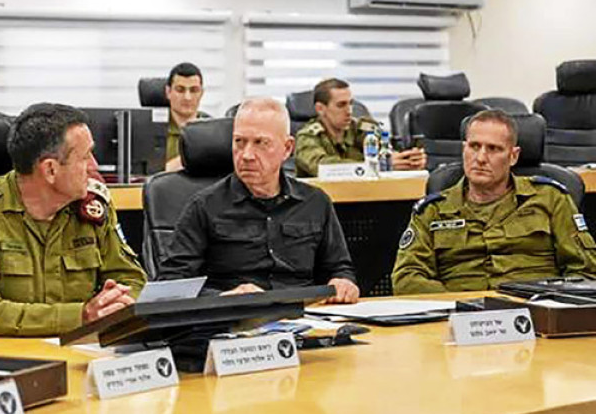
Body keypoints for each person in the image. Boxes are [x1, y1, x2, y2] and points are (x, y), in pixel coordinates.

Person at [0, 103, 147, 337]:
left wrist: (117, 302)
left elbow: (130, 278)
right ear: (50, 170)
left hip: (80, 351)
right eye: (85, 157)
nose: (94, 166)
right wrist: (80, 316)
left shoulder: (94, 204)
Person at [158, 97, 359, 303]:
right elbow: (171, 284)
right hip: (233, 321)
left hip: (305, 319)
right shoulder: (204, 206)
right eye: (239, 142)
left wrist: (343, 282)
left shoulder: (315, 202)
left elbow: (339, 268)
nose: (247, 155)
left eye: (260, 143)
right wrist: (223, 298)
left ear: (287, 148)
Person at [392, 109, 596, 294]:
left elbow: (585, 272)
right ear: (464, 149)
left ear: (513, 156)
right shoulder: (432, 210)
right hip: (457, 320)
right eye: (474, 146)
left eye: (493, 149)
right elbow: (406, 278)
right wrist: (457, 305)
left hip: (535, 314)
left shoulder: (551, 198)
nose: (480, 158)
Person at [295, 78, 426, 177]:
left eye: (350, 104)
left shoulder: (362, 127)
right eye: (341, 105)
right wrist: (377, 166)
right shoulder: (307, 137)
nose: (349, 111)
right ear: (320, 109)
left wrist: (408, 161)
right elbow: (323, 168)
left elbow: (386, 152)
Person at [164, 62, 210, 172]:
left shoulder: (213, 129)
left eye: (194, 90)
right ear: (168, 92)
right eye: (180, 90)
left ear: (201, 93)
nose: (187, 97)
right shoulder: (152, 129)